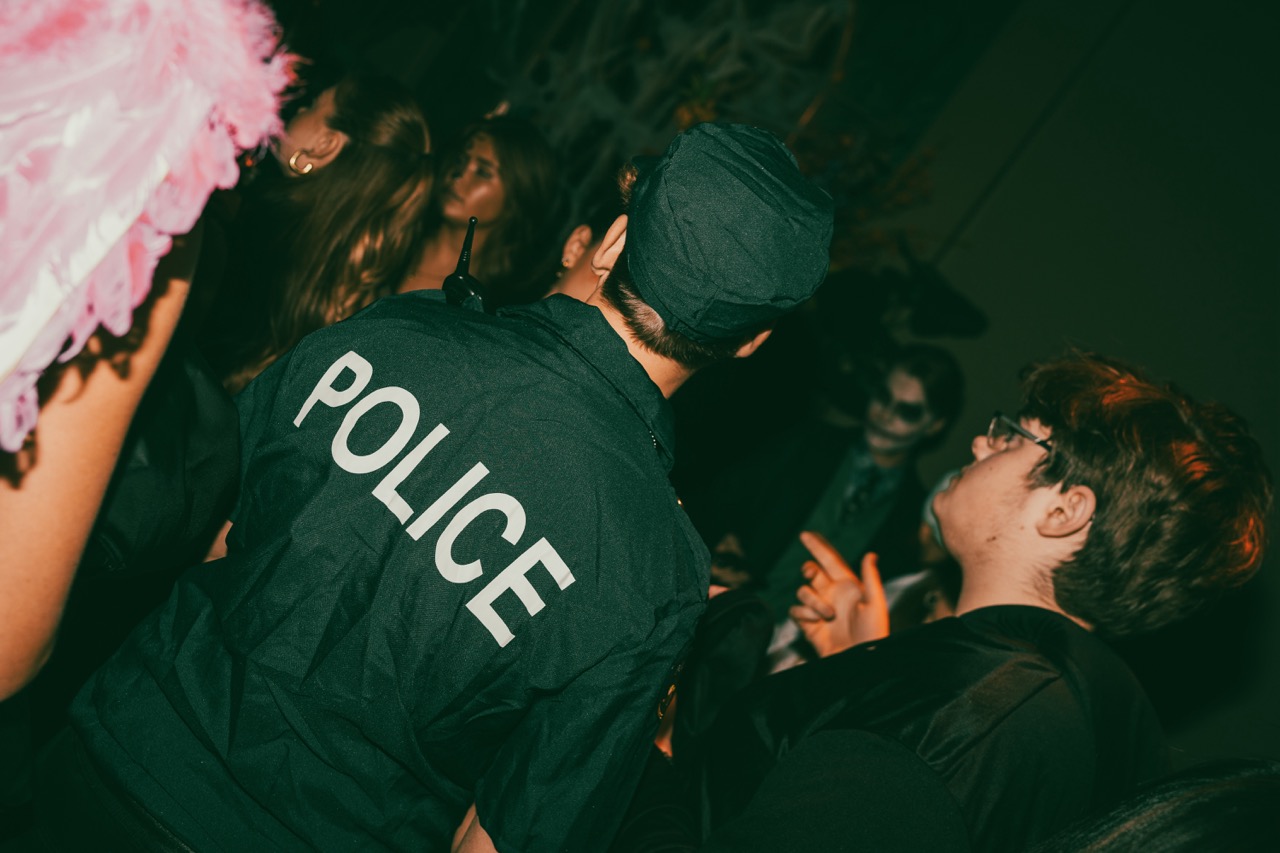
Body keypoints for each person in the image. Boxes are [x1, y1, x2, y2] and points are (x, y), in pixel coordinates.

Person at [28, 123, 834, 852]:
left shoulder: (398, 330)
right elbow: (501, 835)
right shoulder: (657, 572)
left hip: (104, 759)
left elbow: (213, 533)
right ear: (750, 343)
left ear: (612, 242)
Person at [694, 352, 1271, 853]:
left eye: (1011, 436)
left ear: (1063, 511)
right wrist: (865, 665)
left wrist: (662, 740)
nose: (979, 442)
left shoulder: (951, 717)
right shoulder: (1106, 721)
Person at [203, 73, 435, 393]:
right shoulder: (351, 279)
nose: (299, 110)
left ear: (326, 144)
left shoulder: (257, 227)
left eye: (313, 105)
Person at [398, 114, 564, 308]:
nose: (458, 175)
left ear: (516, 197)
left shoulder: (489, 304)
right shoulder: (396, 235)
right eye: (460, 160)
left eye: (483, 172)